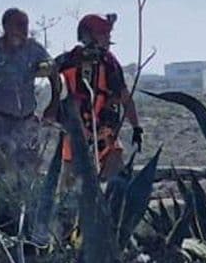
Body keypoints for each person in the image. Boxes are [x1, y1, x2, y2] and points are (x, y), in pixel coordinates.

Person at [45, 13, 142, 179]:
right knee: (72, 186)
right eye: (103, 33)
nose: (107, 38)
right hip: (76, 134)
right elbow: (48, 71)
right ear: (89, 36)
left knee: (114, 179)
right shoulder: (69, 60)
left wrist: (136, 127)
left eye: (108, 34)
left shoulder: (108, 62)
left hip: (104, 135)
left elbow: (124, 97)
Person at [0, 7, 52, 183]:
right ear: (6, 26)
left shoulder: (34, 49)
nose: (24, 29)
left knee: (29, 175)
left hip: (27, 122)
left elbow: (52, 70)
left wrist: (53, 105)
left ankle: (25, 210)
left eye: (26, 25)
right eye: (20, 24)